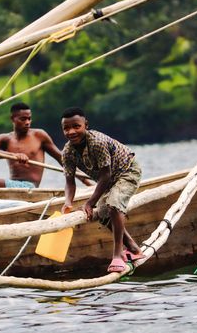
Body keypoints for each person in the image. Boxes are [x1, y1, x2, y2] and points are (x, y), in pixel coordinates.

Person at [60, 107, 144, 274]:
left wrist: (89, 202)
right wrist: (67, 203)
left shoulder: (97, 142)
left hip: (127, 171)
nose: (71, 132)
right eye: (66, 128)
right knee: (102, 213)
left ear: (86, 125)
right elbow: (70, 182)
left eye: (76, 126)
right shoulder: (67, 152)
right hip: (109, 180)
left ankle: (118, 254)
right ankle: (134, 249)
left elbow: (105, 176)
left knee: (113, 204)